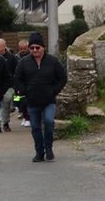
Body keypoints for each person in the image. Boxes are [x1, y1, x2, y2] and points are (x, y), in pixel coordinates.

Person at [15, 33, 68, 162]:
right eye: (32, 48)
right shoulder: (24, 62)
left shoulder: (52, 61)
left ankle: (49, 148)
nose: (34, 50)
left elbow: (62, 77)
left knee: (49, 122)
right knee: (35, 127)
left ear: (43, 47)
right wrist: (24, 91)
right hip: (32, 101)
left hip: (48, 100)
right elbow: (17, 78)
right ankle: (39, 152)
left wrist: (54, 90)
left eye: (37, 47)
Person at [0, 38, 19, 132]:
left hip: (8, 86)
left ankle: (5, 122)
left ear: (4, 47)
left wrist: (15, 85)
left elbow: (16, 72)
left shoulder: (11, 58)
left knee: (6, 102)